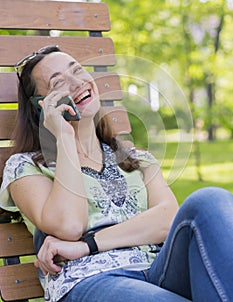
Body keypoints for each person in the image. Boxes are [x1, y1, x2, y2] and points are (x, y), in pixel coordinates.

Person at [0, 45, 233, 302]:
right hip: (91, 279)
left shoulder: (137, 159)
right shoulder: (25, 167)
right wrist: (64, 137)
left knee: (210, 200)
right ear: (41, 106)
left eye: (77, 70)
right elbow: (69, 225)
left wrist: (87, 244)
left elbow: (167, 220)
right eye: (58, 82)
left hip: (161, 270)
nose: (77, 82)